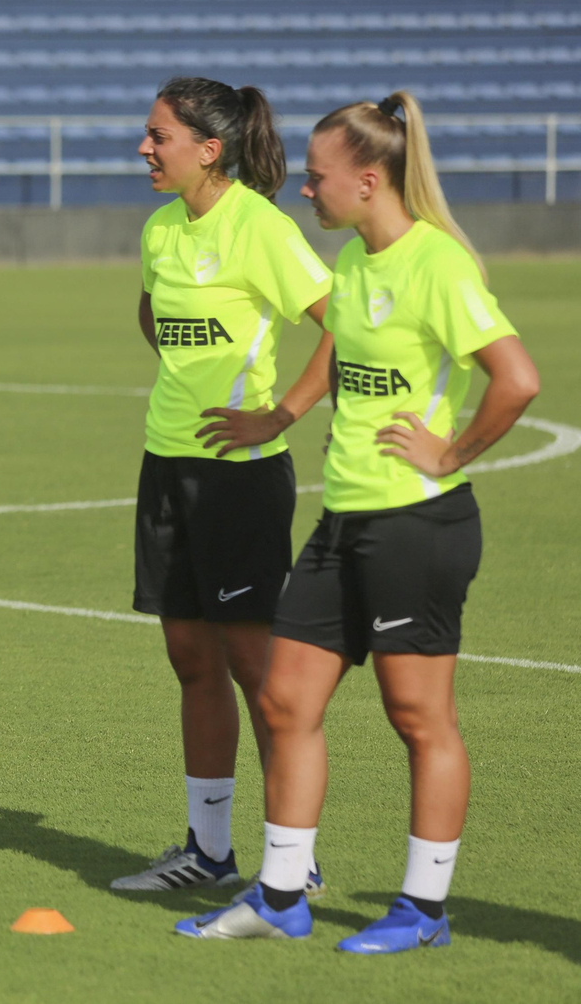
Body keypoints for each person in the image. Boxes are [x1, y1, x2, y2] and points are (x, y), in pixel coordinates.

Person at [177, 92, 539, 950]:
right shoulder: (358, 270)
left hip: (417, 527)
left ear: (369, 180)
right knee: (286, 696)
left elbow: (516, 377)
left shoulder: (436, 265)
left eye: (316, 177)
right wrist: (283, 414)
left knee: (419, 717)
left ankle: (423, 909)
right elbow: (337, 352)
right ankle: (280, 895)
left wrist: (450, 454)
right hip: (342, 523)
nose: (305, 191)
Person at [112, 78, 335, 893]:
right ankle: (208, 851)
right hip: (165, 463)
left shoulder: (262, 229)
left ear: (210, 148)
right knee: (189, 657)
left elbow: (344, 326)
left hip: (240, 480)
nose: (144, 147)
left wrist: (278, 415)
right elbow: (153, 314)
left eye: (158, 135)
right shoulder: (160, 230)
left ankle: (293, 859)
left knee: (256, 667)